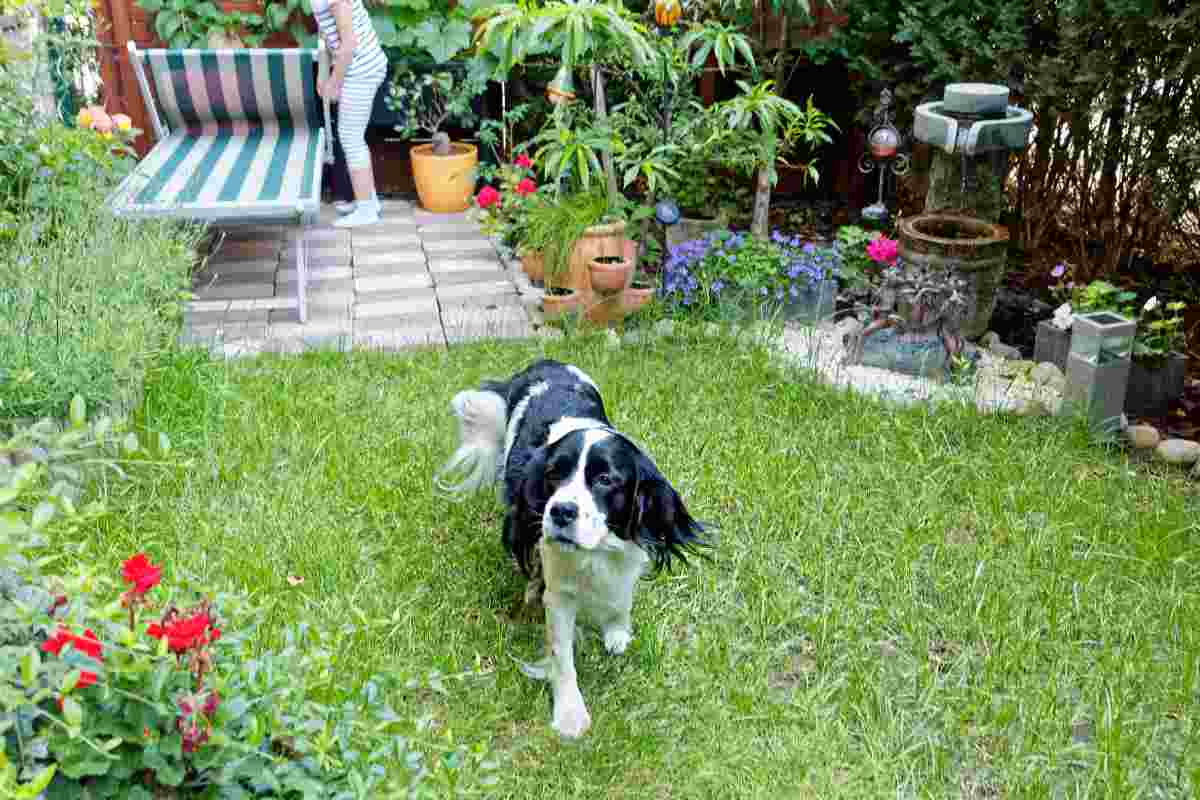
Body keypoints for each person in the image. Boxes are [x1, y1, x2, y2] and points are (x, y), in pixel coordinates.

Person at [313, 0, 387, 227]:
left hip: (361, 68)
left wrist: (334, 83)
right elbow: (326, 34)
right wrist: (323, 74)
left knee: (350, 136)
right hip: (357, 66)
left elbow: (349, 45)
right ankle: (369, 201)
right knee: (352, 136)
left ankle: (366, 211)